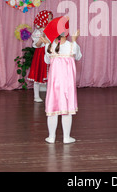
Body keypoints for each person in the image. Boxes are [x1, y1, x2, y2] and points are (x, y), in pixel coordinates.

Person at [41, 16, 82, 144]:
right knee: (67, 110)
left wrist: (46, 44)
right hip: (67, 85)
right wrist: (75, 41)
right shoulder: (72, 46)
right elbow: (79, 57)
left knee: (52, 110)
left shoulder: (49, 46)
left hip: (54, 85)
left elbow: (47, 61)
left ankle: (51, 137)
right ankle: (66, 137)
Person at [27, 10, 53, 102]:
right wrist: (43, 37)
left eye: (51, 18)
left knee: (50, 74)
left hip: (49, 53)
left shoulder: (51, 30)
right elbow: (37, 45)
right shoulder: (38, 32)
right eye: (48, 18)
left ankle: (50, 96)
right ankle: (36, 96)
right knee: (37, 74)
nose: (50, 20)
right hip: (40, 54)